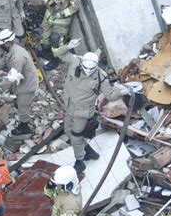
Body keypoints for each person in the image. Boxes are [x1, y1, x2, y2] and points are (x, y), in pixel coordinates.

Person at [54, 40, 129, 174]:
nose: (88, 71)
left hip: (82, 112)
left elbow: (110, 94)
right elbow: (59, 54)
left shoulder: (100, 77)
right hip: (69, 106)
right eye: (86, 68)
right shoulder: (75, 61)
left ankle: (80, 161)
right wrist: (69, 46)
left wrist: (122, 91)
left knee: (76, 136)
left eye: (91, 69)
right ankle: (89, 152)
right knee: (68, 131)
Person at [0, 29, 39, 136]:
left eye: (2, 44)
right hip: (21, 82)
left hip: (26, 86)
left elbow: (11, 79)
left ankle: (24, 127)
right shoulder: (10, 50)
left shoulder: (17, 57)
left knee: (23, 107)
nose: (0, 46)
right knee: (19, 103)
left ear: (7, 43)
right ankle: (21, 109)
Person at [40, 0, 81, 71]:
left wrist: (62, 13)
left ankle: (56, 59)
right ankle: (46, 52)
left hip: (61, 21)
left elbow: (74, 7)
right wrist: (49, 1)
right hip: (49, 16)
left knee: (55, 40)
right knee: (45, 36)